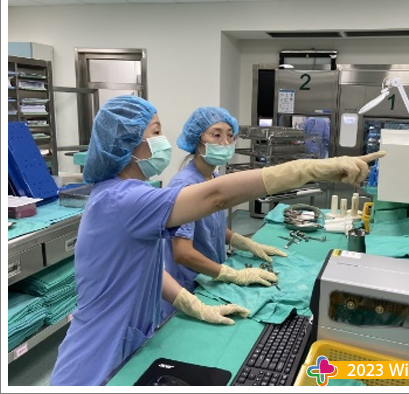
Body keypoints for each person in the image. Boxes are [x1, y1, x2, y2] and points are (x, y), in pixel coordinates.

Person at [50, 95, 385, 385]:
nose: (163, 140)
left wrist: (192, 304)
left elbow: (147, 269)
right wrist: (308, 169)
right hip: (95, 360)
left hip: (126, 342)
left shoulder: (126, 194)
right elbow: (216, 197)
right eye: (155, 132)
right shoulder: (121, 200)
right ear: (127, 141)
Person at [161, 107, 287, 322]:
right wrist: (232, 274)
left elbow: (210, 224)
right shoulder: (185, 186)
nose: (225, 142)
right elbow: (182, 253)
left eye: (229, 135)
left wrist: (244, 242)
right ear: (197, 140)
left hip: (209, 278)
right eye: (216, 135)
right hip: (189, 292)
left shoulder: (212, 177)